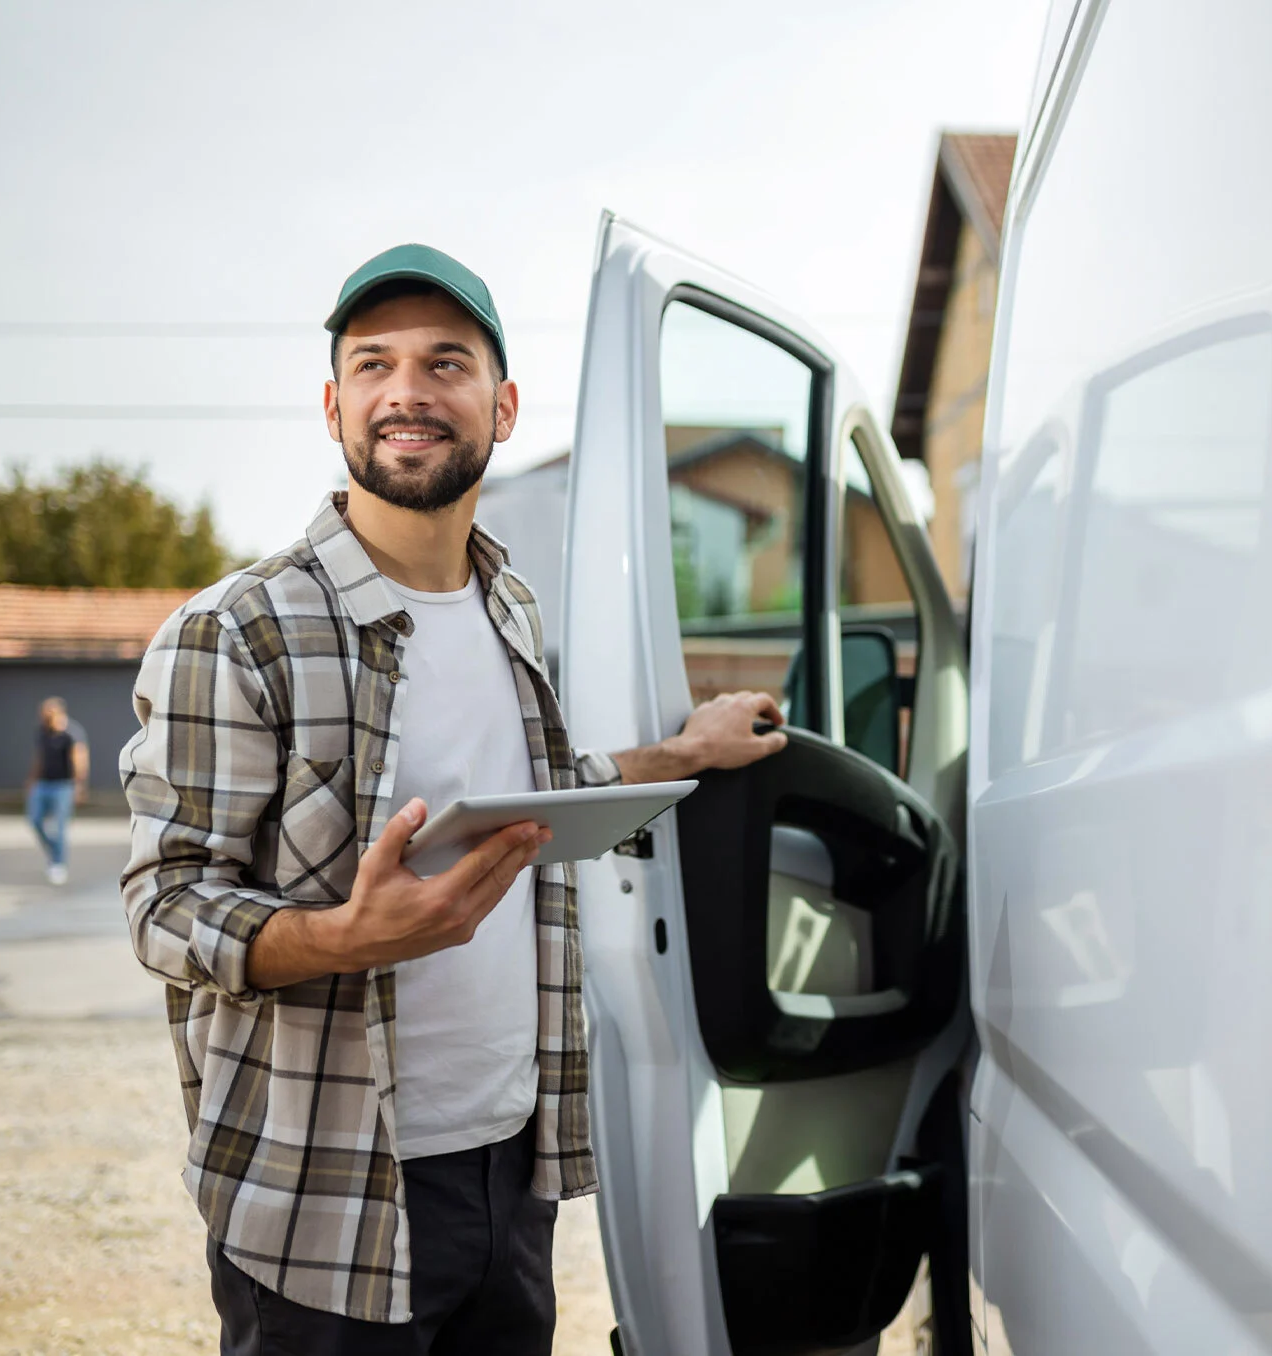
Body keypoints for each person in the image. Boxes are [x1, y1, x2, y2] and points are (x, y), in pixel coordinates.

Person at [119, 243, 789, 1355]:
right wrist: (342, 936)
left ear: (503, 403)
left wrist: (682, 752)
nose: (407, 393)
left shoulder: (508, 605)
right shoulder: (236, 630)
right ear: (334, 406)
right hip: (326, 1190)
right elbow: (165, 905)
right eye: (373, 366)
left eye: (446, 363)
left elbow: (531, 798)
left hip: (509, 1163)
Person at [26, 697, 87, 885]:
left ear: (58, 713)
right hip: (42, 784)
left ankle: (58, 864)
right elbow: (40, 757)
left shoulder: (72, 732)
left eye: (47, 713)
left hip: (63, 785)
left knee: (59, 827)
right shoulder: (42, 732)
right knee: (35, 820)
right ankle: (54, 851)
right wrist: (31, 779)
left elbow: (80, 758)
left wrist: (79, 785)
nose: (44, 717)